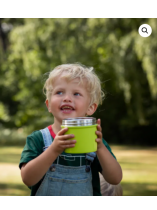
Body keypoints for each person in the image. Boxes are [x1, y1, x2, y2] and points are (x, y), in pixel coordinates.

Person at [19, 63, 122, 196]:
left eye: (76, 94)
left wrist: (101, 148)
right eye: (59, 92)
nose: (67, 98)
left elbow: (115, 179)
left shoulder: (95, 141)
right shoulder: (38, 139)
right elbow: (27, 179)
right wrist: (53, 149)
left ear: (90, 108)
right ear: (49, 105)